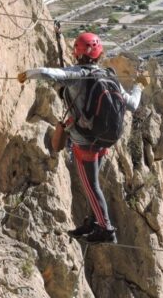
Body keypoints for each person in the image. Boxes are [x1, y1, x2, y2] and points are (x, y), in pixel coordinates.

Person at [17, 32, 145, 243]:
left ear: (77, 53)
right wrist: (139, 86)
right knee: (93, 184)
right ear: (99, 54)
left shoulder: (77, 73)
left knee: (90, 185)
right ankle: (94, 222)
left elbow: (52, 74)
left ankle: (106, 229)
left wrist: (30, 73)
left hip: (84, 141)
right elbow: (132, 104)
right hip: (103, 139)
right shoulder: (108, 75)